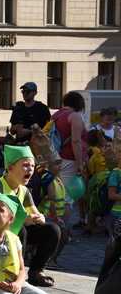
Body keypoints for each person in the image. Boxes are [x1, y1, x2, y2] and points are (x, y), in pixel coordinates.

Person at [0, 145, 61, 287]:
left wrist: (40, 217)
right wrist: (23, 220)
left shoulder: (24, 190)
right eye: (25, 165)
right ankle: (13, 272)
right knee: (20, 230)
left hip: (15, 228)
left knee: (52, 230)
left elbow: (34, 212)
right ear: (10, 168)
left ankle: (36, 272)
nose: (30, 169)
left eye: (32, 166)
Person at [52, 91, 88, 228]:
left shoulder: (56, 115)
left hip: (55, 159)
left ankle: (58, 227)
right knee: (67, 198)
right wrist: (80, 164)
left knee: (57, 194)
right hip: (69, 160)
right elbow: (76, 141)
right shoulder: (75, 116)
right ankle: (63, 230)